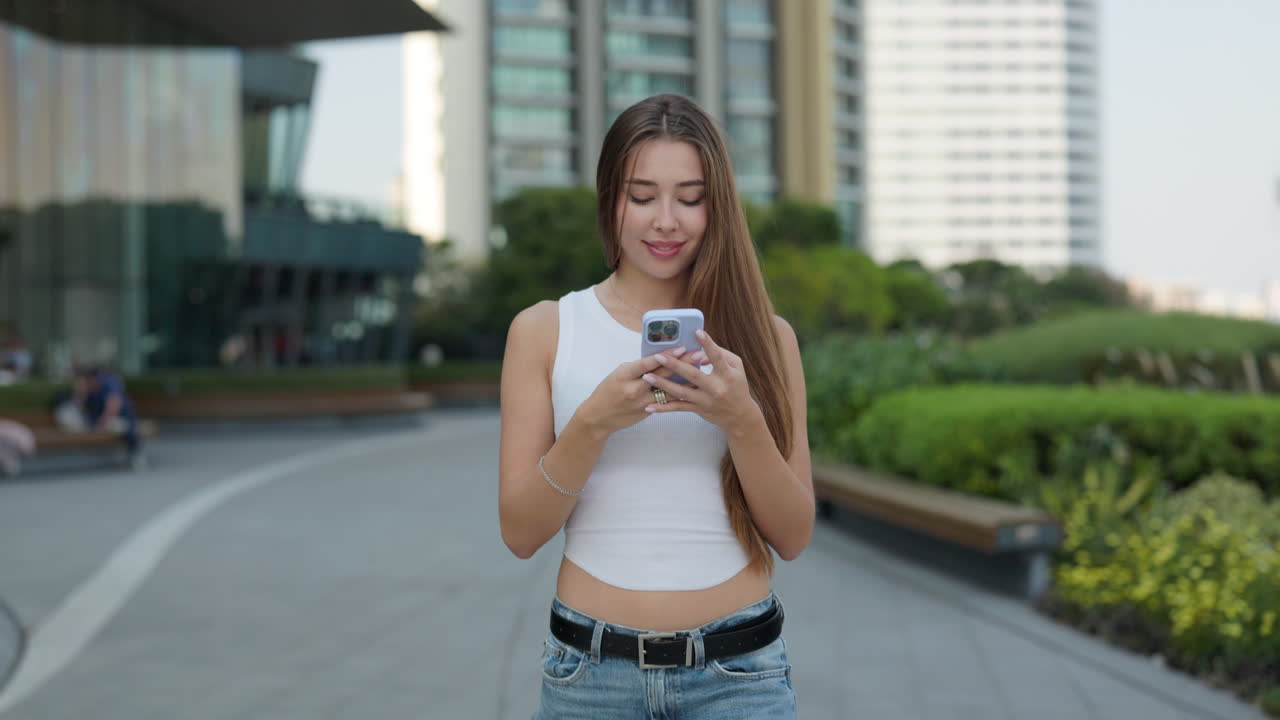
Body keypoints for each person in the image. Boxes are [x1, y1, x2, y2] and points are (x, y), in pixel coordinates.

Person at [498, 94, 813, 719]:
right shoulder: (543, 330)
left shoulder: (764, 337)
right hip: (589, 677)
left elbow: (794, 534)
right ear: (609, 199)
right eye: (641, 196)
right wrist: (593, 423)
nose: (666, 220)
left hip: (738, 678)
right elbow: (520, 533)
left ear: (716, 204)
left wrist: (740, 418)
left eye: (690, 197)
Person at [73, 366, 140, 456]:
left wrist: (102, 424)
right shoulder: (87, 386)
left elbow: (114, 406)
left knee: (128, 428)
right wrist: (80, 392)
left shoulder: (108, 383)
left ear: (94, 378)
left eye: (88, 380)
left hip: (121, 417)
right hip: (98, 418)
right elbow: (80, 407)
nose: (87, 383)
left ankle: (134, 453)